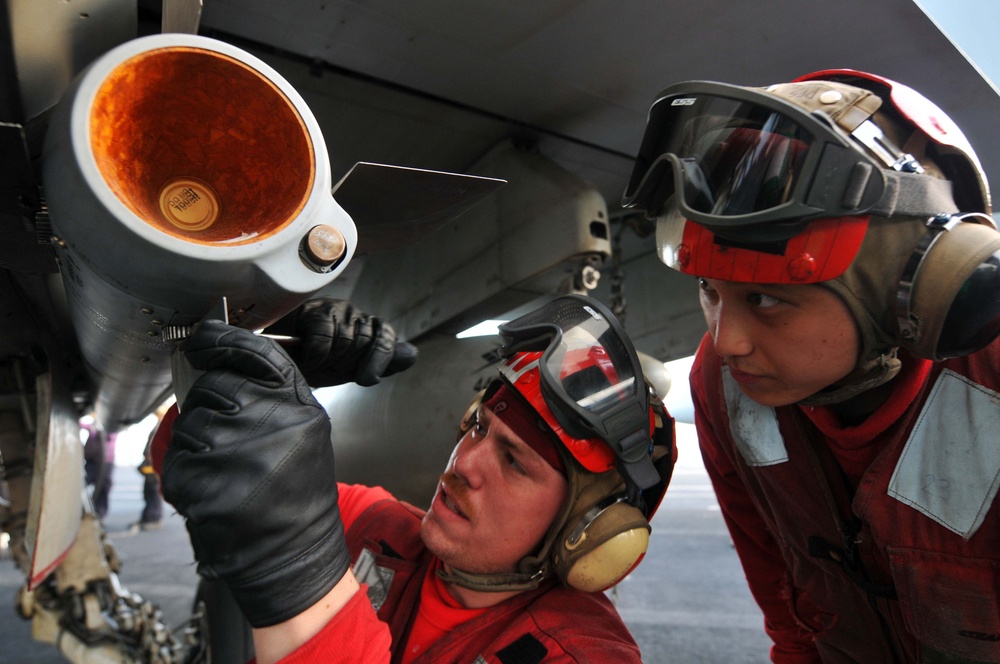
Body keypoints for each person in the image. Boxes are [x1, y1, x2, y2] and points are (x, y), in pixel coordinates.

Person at [622, 69, 1000, 663]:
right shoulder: (721, 387)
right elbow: (793, 622)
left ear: (909, 287)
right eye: (709, 291)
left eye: (767, 298)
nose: (726, 343)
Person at [156, 295, 676, 663]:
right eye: (477, 427)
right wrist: (263, 379)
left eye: (515, 462)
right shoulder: (376, 524)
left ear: (585, 528)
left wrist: (303, 583)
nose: (463, 465)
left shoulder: (579, 654)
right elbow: (191, 468)